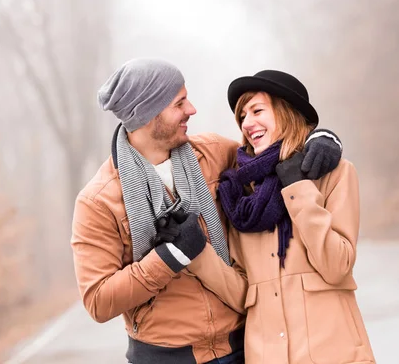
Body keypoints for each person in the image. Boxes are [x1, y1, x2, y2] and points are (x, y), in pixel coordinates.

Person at [70, 58, 343, 364]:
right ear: (148, 113)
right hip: (166, 358)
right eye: (179, 103)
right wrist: (168, 258)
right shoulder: (97, 201)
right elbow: (98, 301)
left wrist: (321, 139)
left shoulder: (214, 153)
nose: (192, 110)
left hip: (246, 346)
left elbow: (275, 150)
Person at [201, 69, 376, 363]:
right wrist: (197, 255)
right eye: (242, 116)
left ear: (286, 113)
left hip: (335, 353)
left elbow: (337, 266)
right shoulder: (240, 195)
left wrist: (298, 188)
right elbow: (242, 293)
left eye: (257, 110)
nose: (247, 123)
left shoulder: (335, 174)